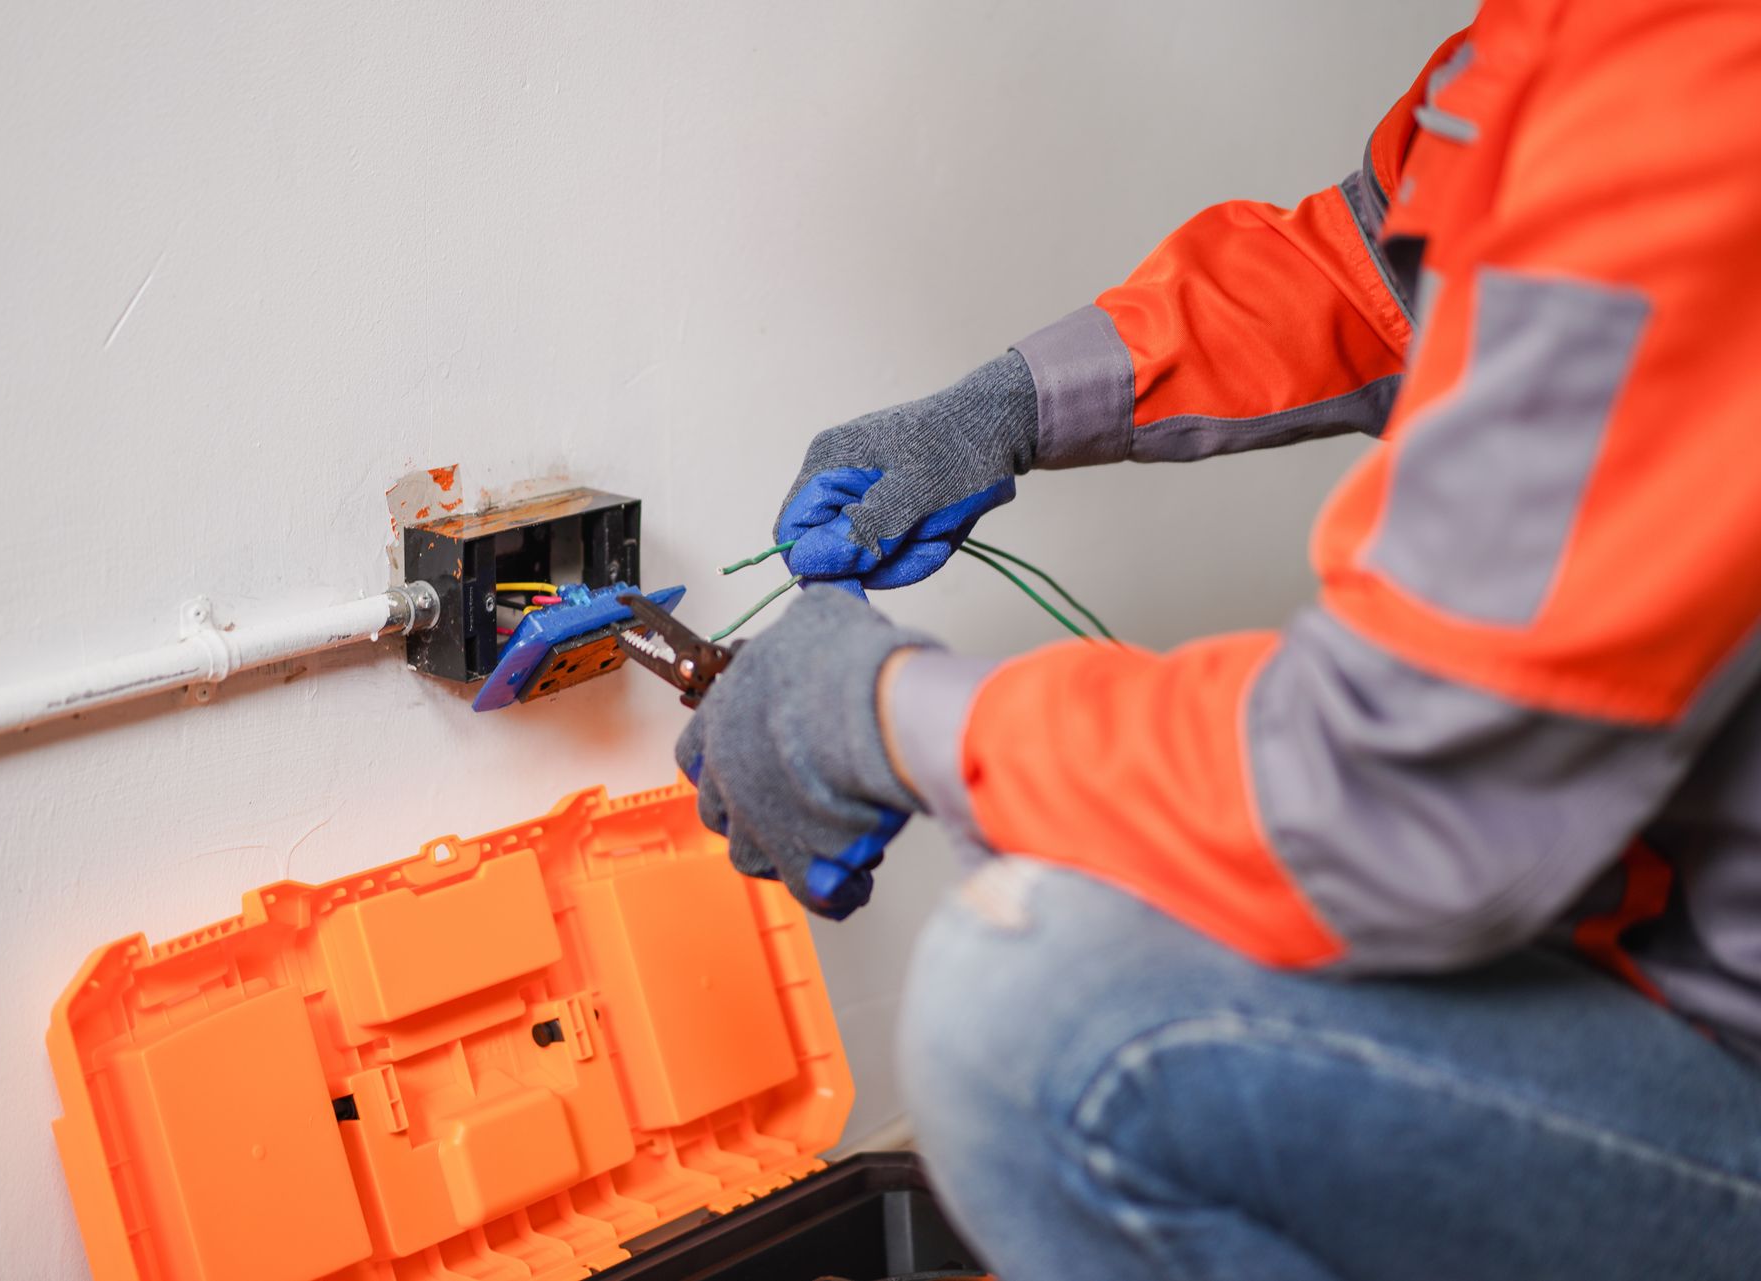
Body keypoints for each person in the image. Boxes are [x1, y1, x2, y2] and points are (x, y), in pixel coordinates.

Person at [675, 3, 1761, 1278]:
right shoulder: (1588, 40)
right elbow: (1378, 267)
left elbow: (1384, 795)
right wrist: (1011, 403)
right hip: (1664, 933)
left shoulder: (1698, 77)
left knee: (1045, 1013)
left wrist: (881, 715)